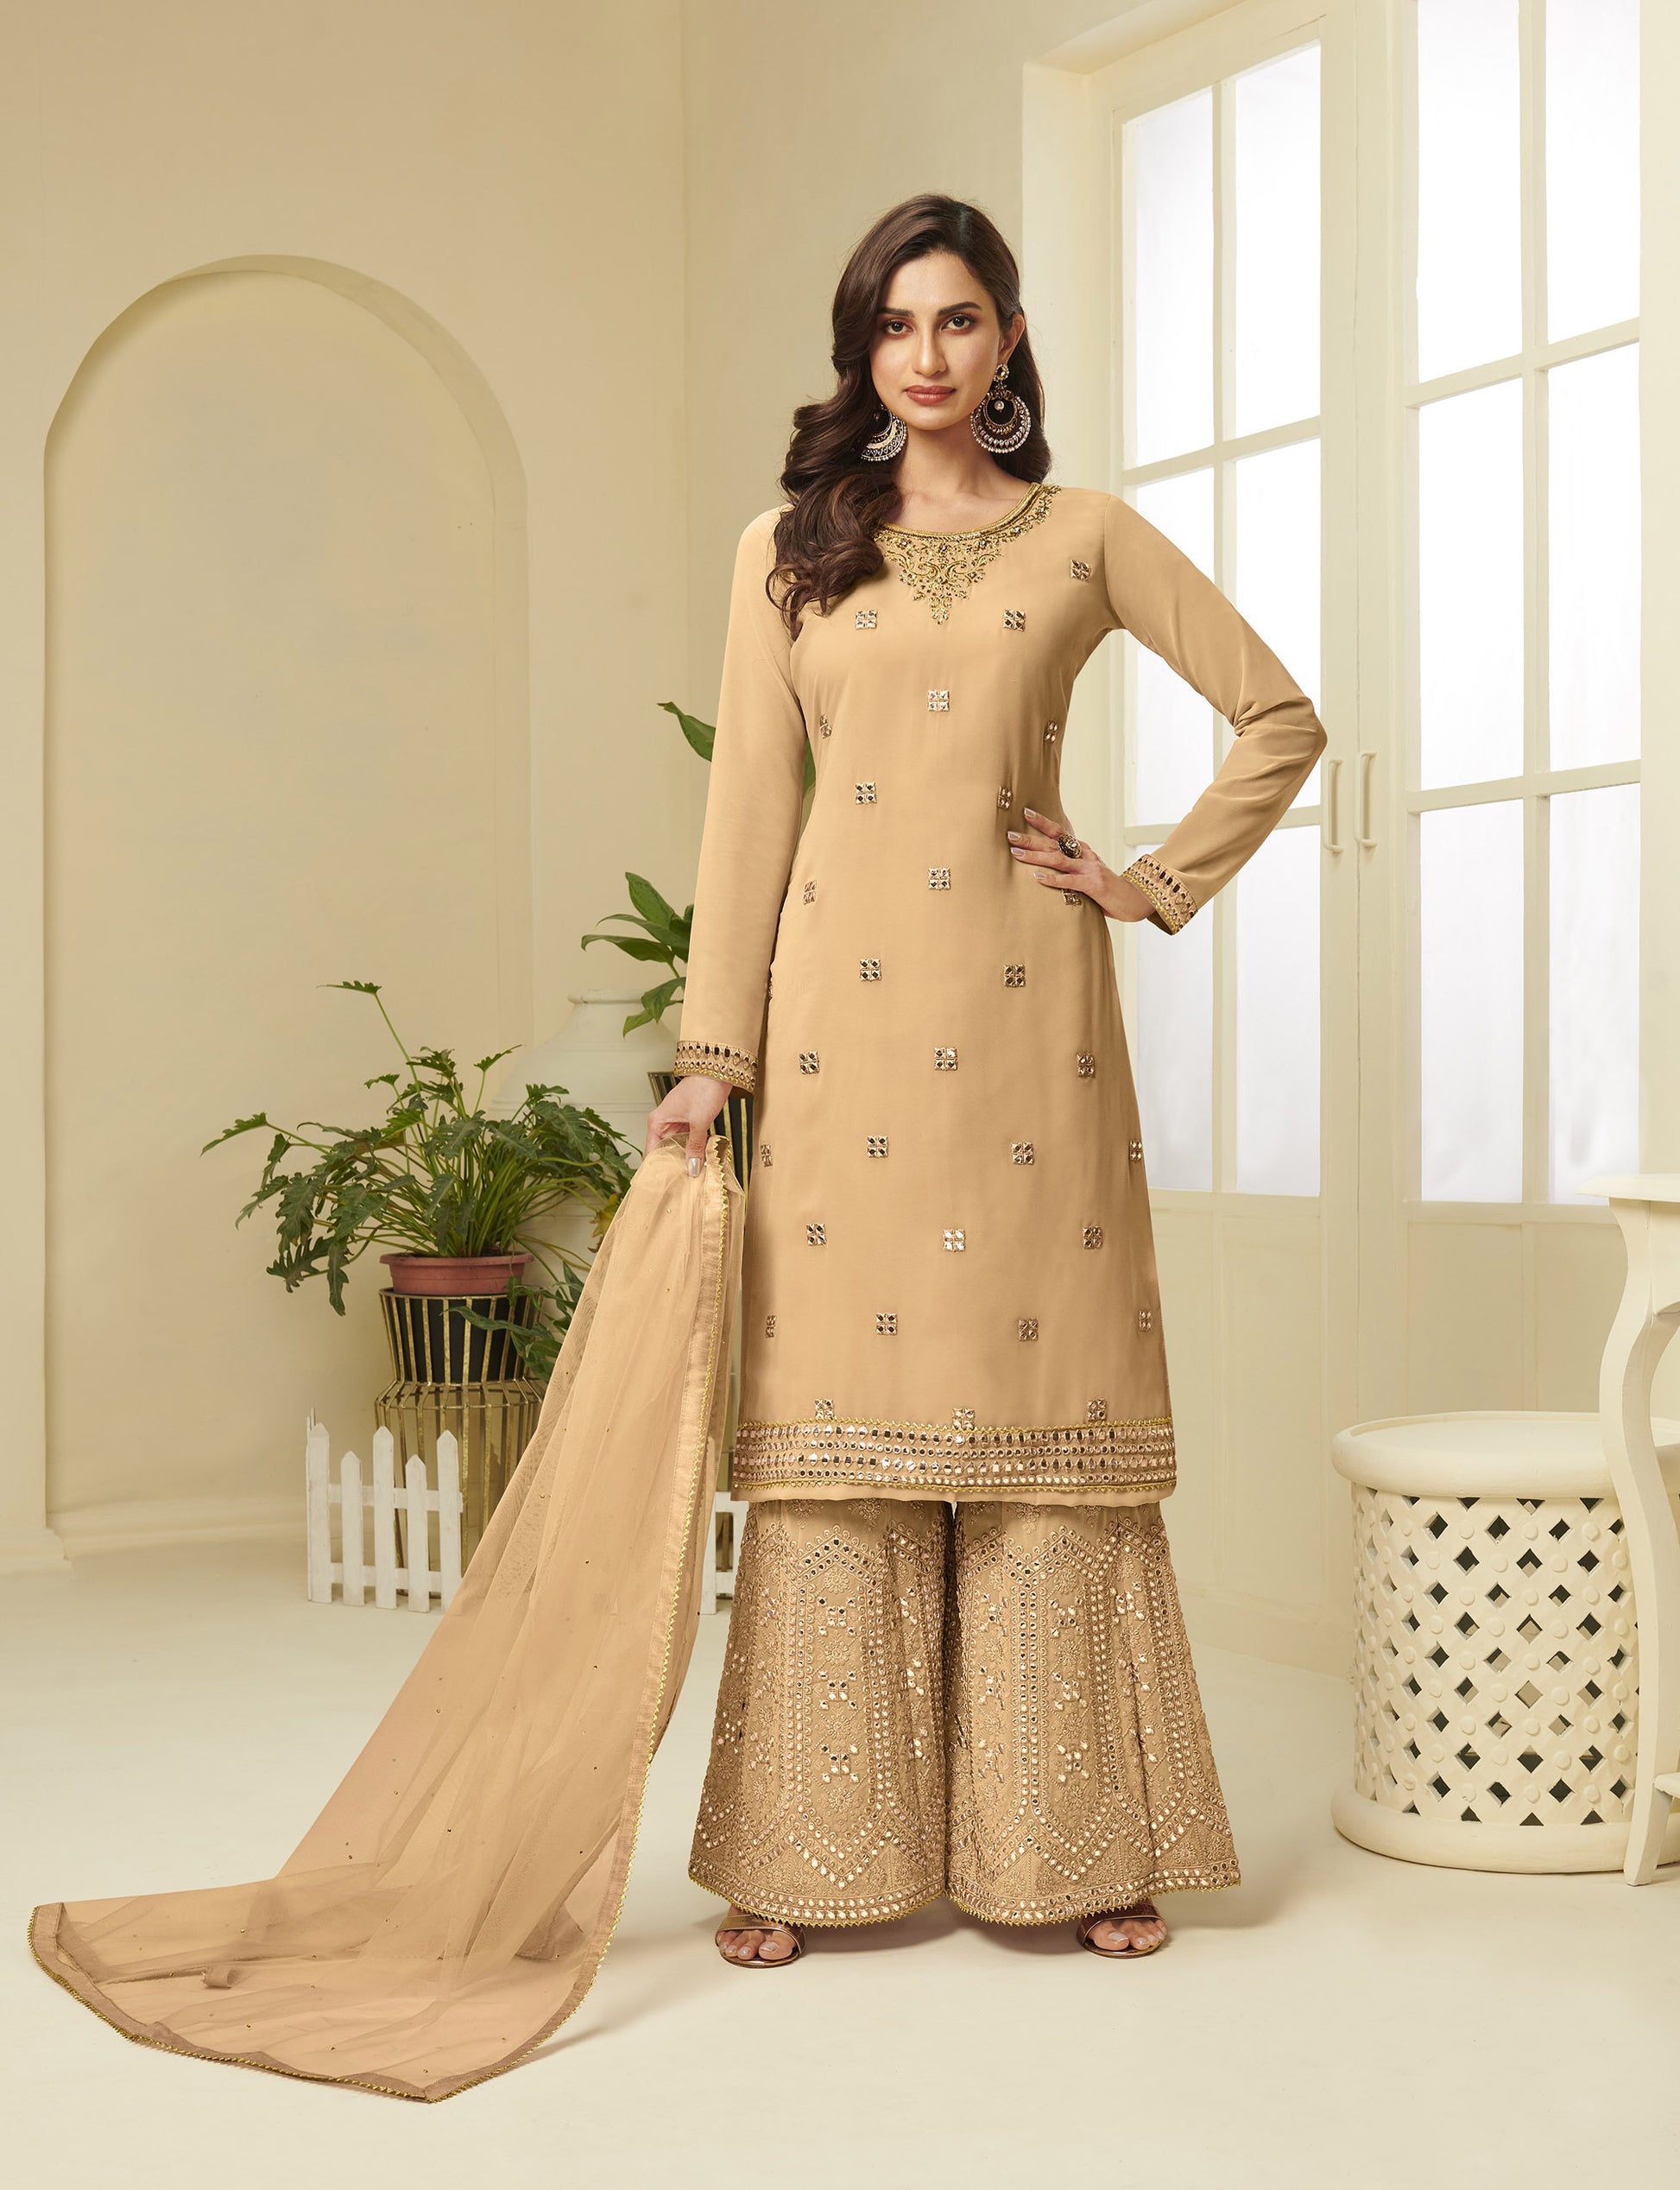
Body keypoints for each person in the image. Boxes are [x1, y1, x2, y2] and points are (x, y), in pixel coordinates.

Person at [647, 192, 1326, 1969]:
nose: (926, 355)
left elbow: (1280, 716)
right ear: (860, 349)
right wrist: (711, 1061)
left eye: (957, 320)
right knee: (834, 1441)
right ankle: (806, 1846)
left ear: (1008, 336)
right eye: (895, 325)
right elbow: (748, 817)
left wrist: (1149, 879)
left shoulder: (1082, 534)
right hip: (833, 1043)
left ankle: (1072, 1844)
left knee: (1047, 1431)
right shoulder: (788, 552)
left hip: (1030, 1035)